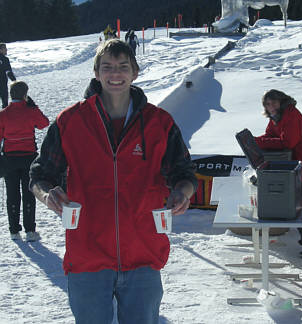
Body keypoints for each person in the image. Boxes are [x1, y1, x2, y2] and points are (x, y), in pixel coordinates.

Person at [30, 39, 197, 323]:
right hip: (87, 255)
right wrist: (47, 195)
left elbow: (184, 173)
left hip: (143, 254)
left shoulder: (159, 122)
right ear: (96, 73)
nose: (115, 74)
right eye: (107, 67)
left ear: (135, 72)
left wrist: (183, 191)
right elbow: (39, 175)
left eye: (123, 67)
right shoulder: (70, 121)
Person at [254, 89, 302, 258]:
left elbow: (288, 142)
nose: (271, 106)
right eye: (267, 104)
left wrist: (257, 142)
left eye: (274, 102)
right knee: (299, 205)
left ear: (282, 101)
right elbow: (270, 136)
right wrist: (258, 141)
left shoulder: (290, 114)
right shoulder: (276, 117)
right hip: (294, 167)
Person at [0, 81, 49, 241]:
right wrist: (33, 106)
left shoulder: (4, 113)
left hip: (9, 158)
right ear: (25, 95)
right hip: (28, 157)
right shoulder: (30, 111)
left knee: (12, 194)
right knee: (29, 193)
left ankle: (14, 231)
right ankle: (30, 231)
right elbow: (44, 123)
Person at [0, 43, 16, 108]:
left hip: (3, 83)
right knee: (5, 103)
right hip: (2, 83)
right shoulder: (5, 59)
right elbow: (9, 72)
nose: (6, 50)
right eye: (4, 48)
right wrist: (15, 81)